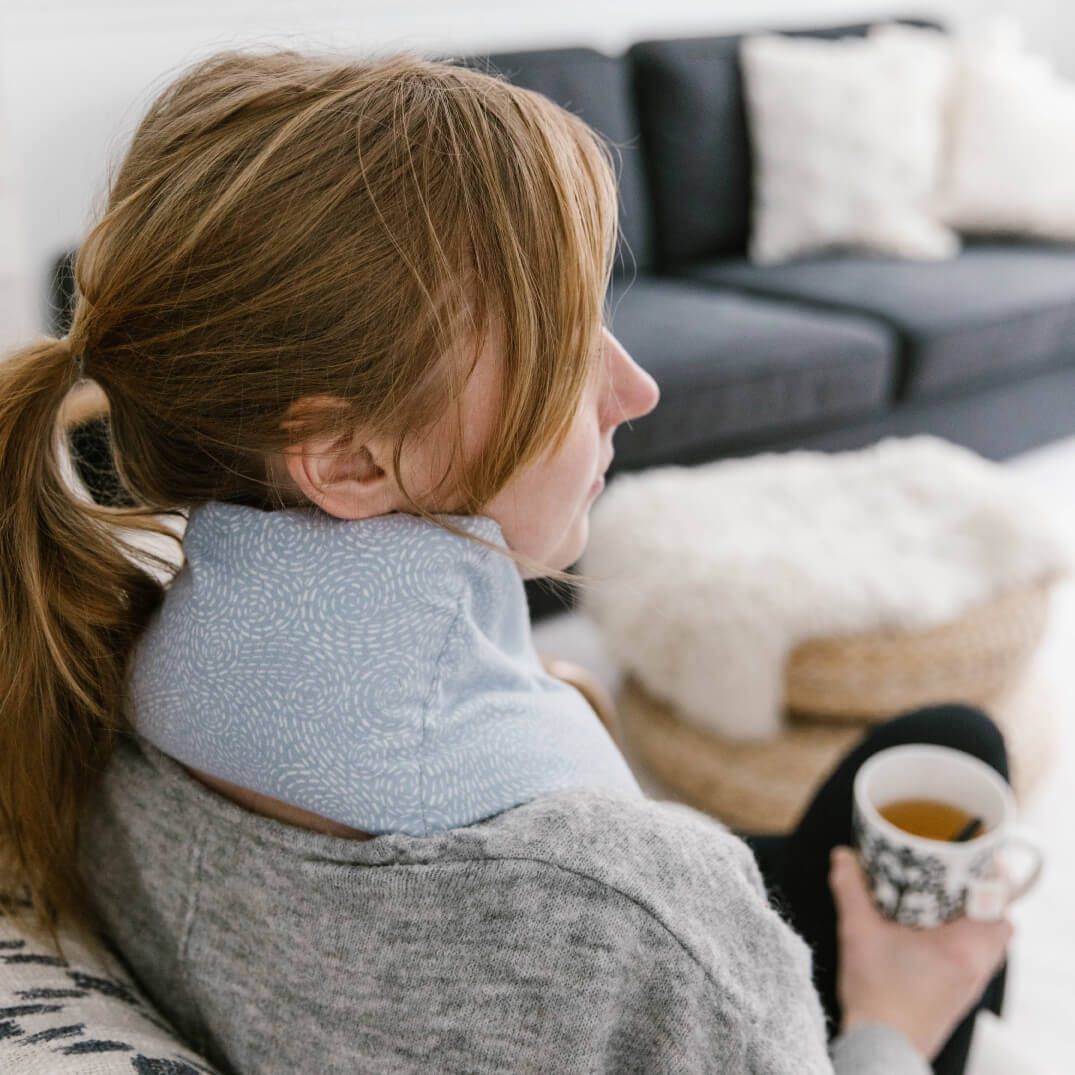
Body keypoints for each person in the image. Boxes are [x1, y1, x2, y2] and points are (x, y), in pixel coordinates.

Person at [0, 50, 1012, 1075]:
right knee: (955, 758)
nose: (637, 388)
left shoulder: (100, 685)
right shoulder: (653, 928)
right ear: (348, 459)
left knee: (938, 740)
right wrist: (895, 1018)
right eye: (567, 345)